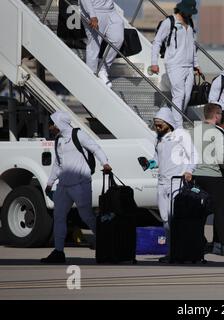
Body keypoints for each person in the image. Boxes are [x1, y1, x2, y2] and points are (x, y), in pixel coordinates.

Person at [41, 111, 112, 263]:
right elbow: (58, 164)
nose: (50, 127)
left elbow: (95, 148)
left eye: (52, 124)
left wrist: (104, 163)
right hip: (64, 186)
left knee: (86, 216)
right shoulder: (58, 140)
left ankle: (106, 245)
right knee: (59, 217)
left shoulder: (78, 135)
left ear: (60, 123)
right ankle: (59, 252)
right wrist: (50, 183)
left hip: (81, 184)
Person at [149, 107, 197, 263]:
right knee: (165, 219)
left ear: (168, 123)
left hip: (176, 182)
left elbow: (194, 154)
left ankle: (181, 252)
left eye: (159, 125)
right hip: (162, 183)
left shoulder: (181, 135)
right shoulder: (158, 138)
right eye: (155, 125)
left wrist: (189, 171)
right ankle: (171, 252)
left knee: (176, 219)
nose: (157, 128)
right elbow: (156, 159)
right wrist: (149, 163)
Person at [193, 104, 224, 256]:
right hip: (213, 176)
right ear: (217, 115)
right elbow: (222, 160)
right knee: (219, 212)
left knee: (199, 211)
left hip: (196, 175)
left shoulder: (194, 131)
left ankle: (198, 242)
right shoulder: (217, 133)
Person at [150, 0, 201, 129]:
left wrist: (196, 64)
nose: (190, 15)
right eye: (188, 12)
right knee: (179, 94)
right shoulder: (169, 22)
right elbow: (157, 42)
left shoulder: (190, 22)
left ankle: (172, 120)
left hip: (189, 66)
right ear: (181, 9)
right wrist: (154, 63)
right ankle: (178, 126)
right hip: (174, 65)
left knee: (187, 96)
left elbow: (192, 45)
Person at [80, 0, 125, 88]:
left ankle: (103, 69)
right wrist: (92, 15)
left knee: (118, 39)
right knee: (94, 45)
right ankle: (91, 77)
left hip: (111, 10)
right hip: (94, 11)